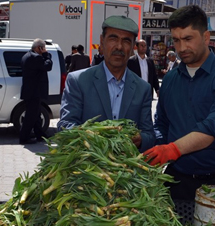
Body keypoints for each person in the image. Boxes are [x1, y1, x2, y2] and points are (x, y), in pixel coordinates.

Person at [147, 5, 215, 201]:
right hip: (177, 181)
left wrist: (171, 150)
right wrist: (152, 145)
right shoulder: (169, 79)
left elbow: (212, 128)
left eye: (188, 39)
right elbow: (162, 124)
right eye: (176, 40)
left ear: (206, 37)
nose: (181, 48)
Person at [57, 16, 155, 152]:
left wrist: (140, 139)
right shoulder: (78, 81)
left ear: (133, 47)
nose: (119, 46)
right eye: (113, 39)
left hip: (125, 170)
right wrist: (95, 138)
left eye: (126, 41)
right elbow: (65, 125)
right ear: (102, 42)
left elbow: (149, 135)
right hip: (87, 168)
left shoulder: (142, 88)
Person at [19, 38, 52, 145]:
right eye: (44, 48)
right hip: (34, 91)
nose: (45, 50)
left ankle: (40, 135)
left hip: (30, 90)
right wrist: (47, 55)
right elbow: (48, 66)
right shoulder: (36, 57)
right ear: (40, 48)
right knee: (31, 116)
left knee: (36, 114)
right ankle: (24, 137)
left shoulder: (27, 55)